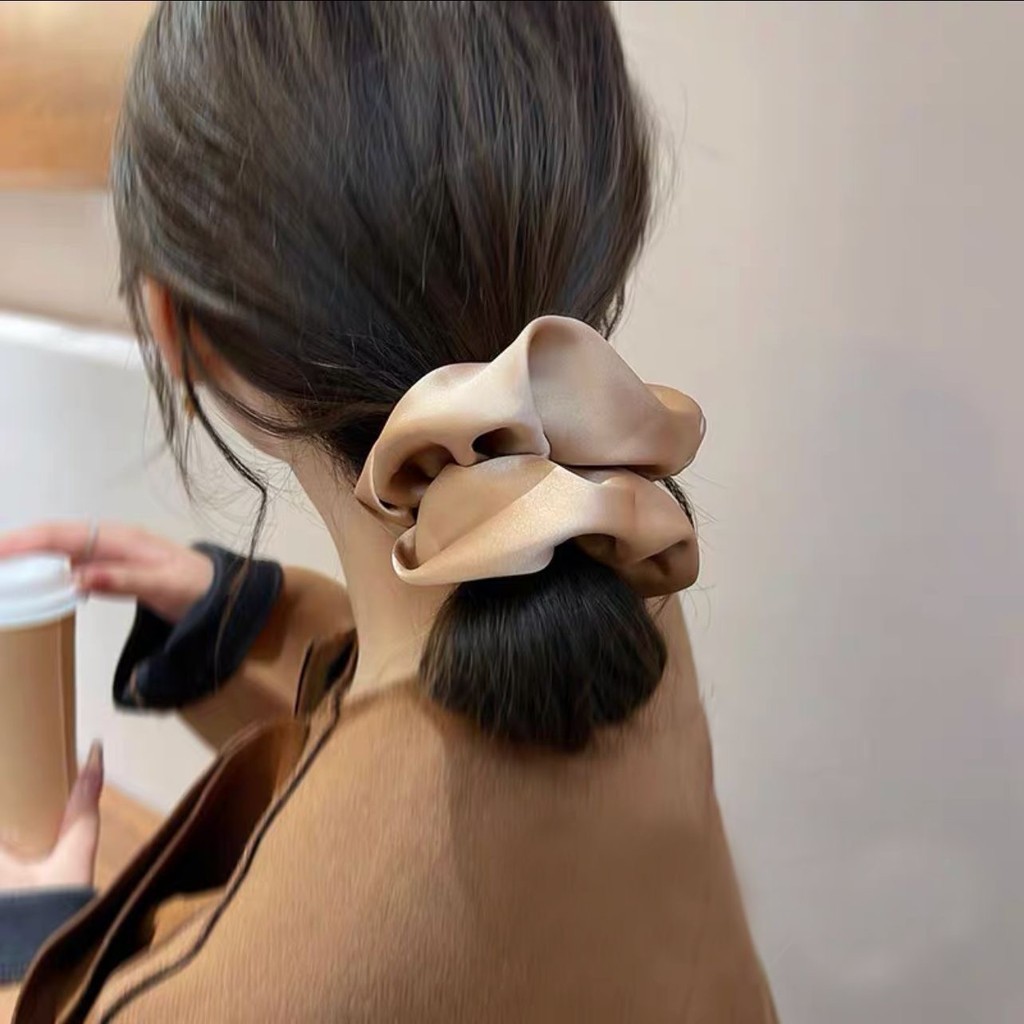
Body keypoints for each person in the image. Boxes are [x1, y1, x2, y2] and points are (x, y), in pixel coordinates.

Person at [0, 2, 778, 1020]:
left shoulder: (241, 994)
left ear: (180, 330)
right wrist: (243, 616)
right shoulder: (622, 566)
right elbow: (441, 702)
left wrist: (28, 939)